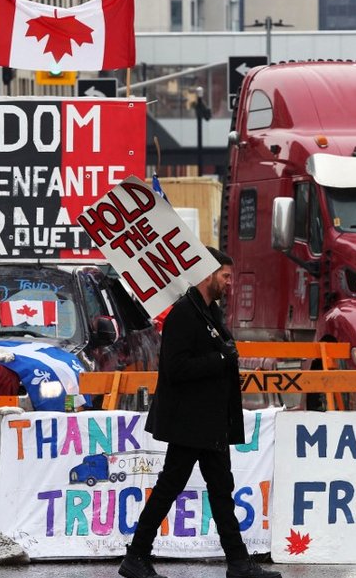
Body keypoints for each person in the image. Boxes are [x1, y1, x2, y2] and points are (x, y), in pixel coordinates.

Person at [119, 248, 281, 578]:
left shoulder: (209, 312)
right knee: (170, 486)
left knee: (222, 490)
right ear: (206, 275)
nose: (230, 282)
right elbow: (175, 368)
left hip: (211, 422)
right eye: (225, 275)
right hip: (189, 423)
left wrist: (224, 357)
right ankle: (136, 556)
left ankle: (238, 563)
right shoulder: (184, 314)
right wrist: (220, 360)